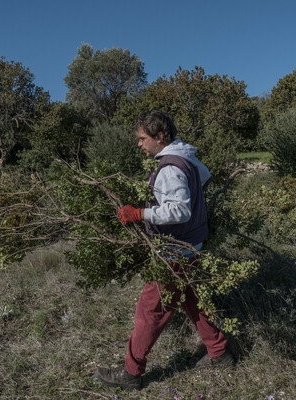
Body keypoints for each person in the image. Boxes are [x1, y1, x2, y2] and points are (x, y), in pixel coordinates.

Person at [94, 111, 233, 390]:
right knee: (192, 300)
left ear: (160, 138)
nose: (139, 144)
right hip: (191, 245)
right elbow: (203, 178)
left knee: (150, 311)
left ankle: (131, 374)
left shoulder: (169, 168)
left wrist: (140, 213)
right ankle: (220, 353)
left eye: (143, 139)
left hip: (174, 251)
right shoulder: (186, 157)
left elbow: (179, 210)